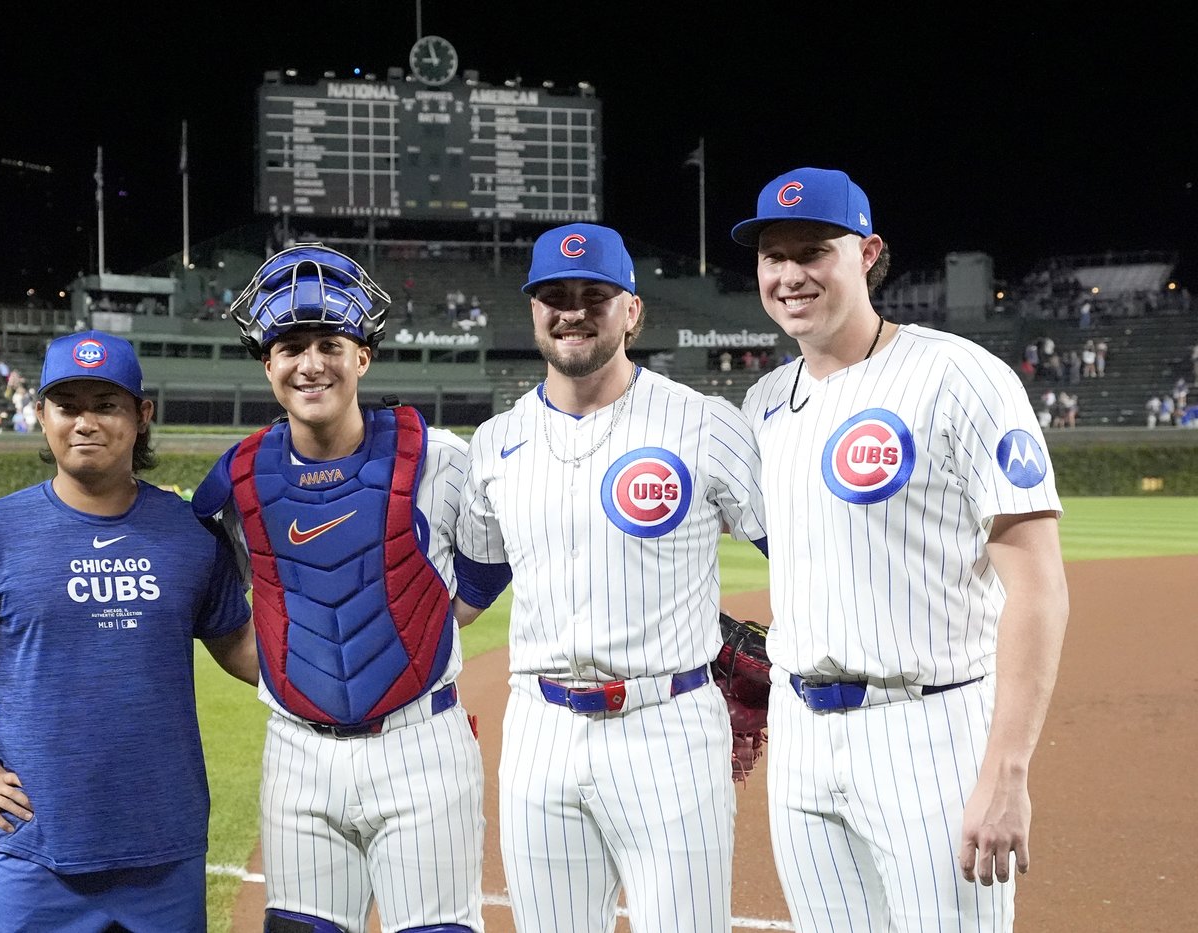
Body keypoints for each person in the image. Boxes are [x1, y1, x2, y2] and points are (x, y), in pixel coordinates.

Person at [730, 167, 1069, 931]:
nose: (789, 275)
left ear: (867, 252)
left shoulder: (959, 377)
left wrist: (1007, 773)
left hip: (928, 733)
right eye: (772, 257)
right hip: (803, 739)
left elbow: (1040, 586)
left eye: (812, 250)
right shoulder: (761, 405)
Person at [0, 330, 256, 933]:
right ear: (42, 417)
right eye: (68, 405)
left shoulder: (189, 533)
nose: (86, 422)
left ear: (141, 416)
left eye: (105, 405)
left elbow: (241, 648)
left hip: (166, 849)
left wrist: (344, 670)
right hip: (38, 857)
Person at [453, 223, 769, 932]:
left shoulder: (705, 424)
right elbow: (466, 597)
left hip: (668, 725)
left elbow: (802, 553)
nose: (573, 310)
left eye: (594, 294)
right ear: (533, 309)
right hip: (540, 729)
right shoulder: (496, 443)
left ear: (632, 310)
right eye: (555, 295)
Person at [192, 244, 487, 933]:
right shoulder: (234, 480)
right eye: (290, 346)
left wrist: (431, 628)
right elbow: (213, 607)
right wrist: (287, 676)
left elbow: (486, 571)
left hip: (421, 745)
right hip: (299, 753)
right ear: (268, 364)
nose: (311, 362)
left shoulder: (439, 457)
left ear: (363, 356)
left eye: (330, 342)